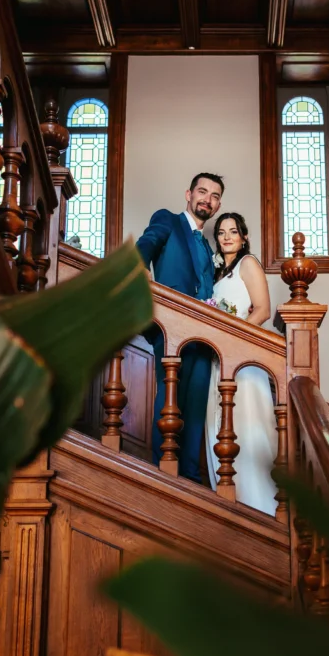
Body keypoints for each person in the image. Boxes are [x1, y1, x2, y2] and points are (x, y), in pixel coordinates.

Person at [136, 173, 224, 482]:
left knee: (197, 405)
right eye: (202, 191)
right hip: (172, 328)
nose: (207, 199)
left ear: (218, 204)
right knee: (170, 398)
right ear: (188, 193)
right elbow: (146, 244)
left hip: (205, 336)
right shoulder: (168, 220)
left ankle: (189, 475)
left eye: (214, 196)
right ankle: (164, 470)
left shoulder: (207, 245)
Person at [205, 212, 278, 515]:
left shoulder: (249, 264)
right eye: (221, 232)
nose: (226, 237)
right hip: (218, 358)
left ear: (244, 237)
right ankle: (230, 505)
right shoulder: (219, 273)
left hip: (242, 357)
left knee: (248, 426)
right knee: (219, 429)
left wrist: (233, 338)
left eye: (233, 231)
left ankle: (261, 505)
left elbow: (262, 310)